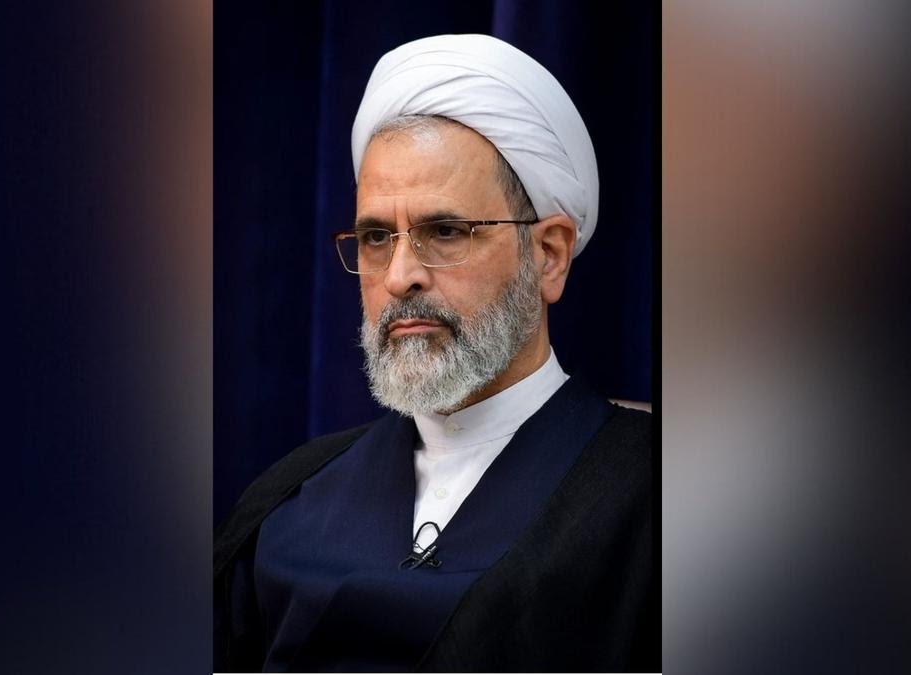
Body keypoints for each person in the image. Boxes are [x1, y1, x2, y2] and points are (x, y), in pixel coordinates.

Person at [214, 34, 655, 672]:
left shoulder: (656, 505)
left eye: (445, 231)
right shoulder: (287, 502)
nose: (399, 277)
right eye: (375, 237)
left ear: (549, 255)